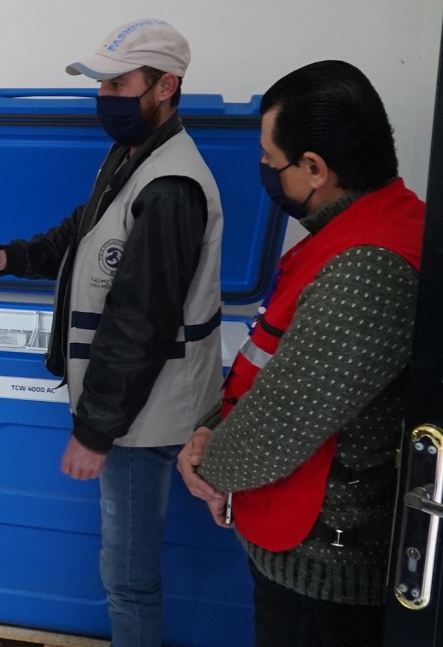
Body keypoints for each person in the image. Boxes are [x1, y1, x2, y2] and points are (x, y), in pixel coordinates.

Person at [0, 18, 223, 647]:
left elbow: (139, 322)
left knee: (127, 578)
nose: (105, 97)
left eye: (118, 83)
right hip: (130, 407)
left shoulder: (172, 186)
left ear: (166, 86)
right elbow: (81, 236)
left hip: (141, 415)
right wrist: (3, 258)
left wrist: (96, 431)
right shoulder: (134, 156)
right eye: (101, 84)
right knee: (128, 570)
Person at [178, 60, 424, 647]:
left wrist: (205, 464)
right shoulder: (354, 231)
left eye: (270, 159)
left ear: (314, 169)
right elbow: (270, 365)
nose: (263, 168)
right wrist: (211, 425)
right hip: (299, 546)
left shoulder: (368, 266)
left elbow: (280, 424)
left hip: (328, 576)